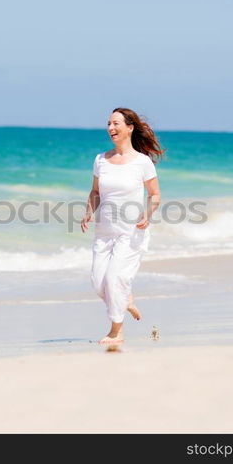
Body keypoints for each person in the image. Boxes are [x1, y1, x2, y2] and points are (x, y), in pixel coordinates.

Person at [81, 107, 164, 344]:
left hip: (131, 232)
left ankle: (116, 331)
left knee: (115, 278)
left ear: (130, 127)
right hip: (104, 231)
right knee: (99, 282)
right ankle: (125, 299)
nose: (110, 128)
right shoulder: (101, 159)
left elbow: (155, 194)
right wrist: (89, 211)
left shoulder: (143, 162)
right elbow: (96, 191)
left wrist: (148, 214)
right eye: (108, 123)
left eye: (116, 123)